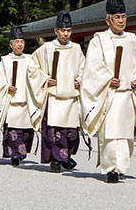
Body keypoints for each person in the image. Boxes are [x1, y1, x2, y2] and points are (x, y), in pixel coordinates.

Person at [80, 0, 136, 183]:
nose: (121, 20)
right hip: (109, 95)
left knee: (125, 134)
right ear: (108, 20)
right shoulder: (99, 40)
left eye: (123, 16)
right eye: (117, 17)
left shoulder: (130, 39)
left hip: (126, 95)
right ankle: (110, 168)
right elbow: (93, 68)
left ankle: (121, 167)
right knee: (110, 134)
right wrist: (107, 80)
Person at [27, 10, 85, 172]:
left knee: (71, 133)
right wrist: (45, 79)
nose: (66, 34)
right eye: (63, 31)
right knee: (54, 131)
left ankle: (65, 157)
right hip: (53, 96)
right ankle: (56, 160)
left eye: (69, 31)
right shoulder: (46, 49)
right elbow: (32, 69)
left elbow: (84, 69)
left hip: (71, 96)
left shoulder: (77, 49)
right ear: (56, 31)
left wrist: (79, 80)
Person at [0, 26, 34, 166]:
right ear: (11, 44)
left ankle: (21, 153)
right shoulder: (5, 61)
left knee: (26, 132)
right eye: (17, 41)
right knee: (14, 131)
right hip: (12, 101)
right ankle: (15, 155)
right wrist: (7, 87)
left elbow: (36, 77)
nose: (20, 44)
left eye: (22, 41)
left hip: (26, 101)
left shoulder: (30, 59)